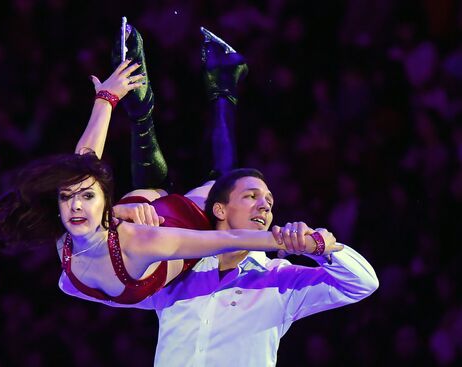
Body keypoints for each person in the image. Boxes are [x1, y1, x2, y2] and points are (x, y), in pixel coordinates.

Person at [59, 25, 379, 366]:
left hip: (150, 228)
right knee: (215, 181)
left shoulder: (281, 282)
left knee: (167, 194)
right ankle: (217, 85)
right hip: (164, 231)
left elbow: (362, 284)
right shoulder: (184, 267)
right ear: (220, 210)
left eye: (269, 202)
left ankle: (198, 92)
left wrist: (326, 252)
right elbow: (95, 286)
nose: (265, 206)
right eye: (254, 197)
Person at [0, 58, 338, 306]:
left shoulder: (141, 242)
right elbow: (83, 161)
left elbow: (229, 238)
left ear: (102, 203)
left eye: (86, 198)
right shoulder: (63, 235)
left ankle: (223, 84)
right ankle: (147, 112)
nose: (75, 205)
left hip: (185, 218)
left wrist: (294, 241)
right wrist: (105, 99)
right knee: (143, 193)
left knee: (224, 182)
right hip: (135, 216)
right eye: (67, 198)